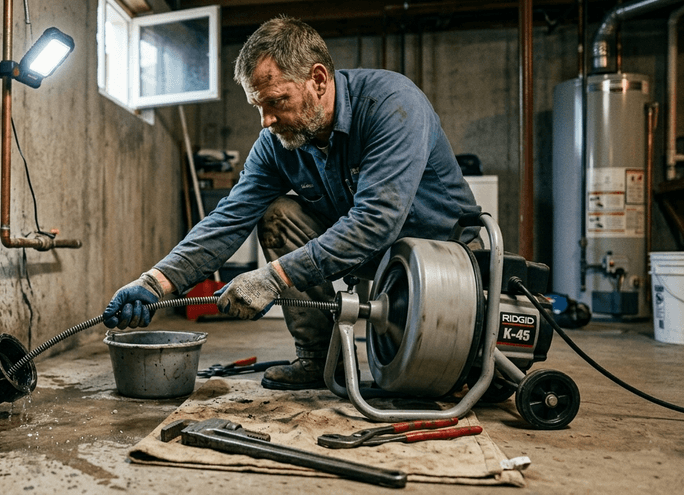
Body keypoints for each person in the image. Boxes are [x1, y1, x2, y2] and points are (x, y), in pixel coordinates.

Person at [103, 16, 481, 390]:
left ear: (318, 80)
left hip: (449, 262)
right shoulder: (277, 142)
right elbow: (230, 218)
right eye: (258, 106)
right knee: (278, 215)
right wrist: (155, 282)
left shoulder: (391, 104)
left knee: (460, 381)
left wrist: (273, 278)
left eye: (276, 101)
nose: (266, 120)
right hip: (382, 261)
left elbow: (375, 221)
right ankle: (317, 359)